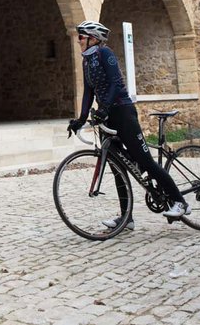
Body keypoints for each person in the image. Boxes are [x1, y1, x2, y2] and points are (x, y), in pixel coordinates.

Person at [67, 19, 190, 229]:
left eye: (81, 37)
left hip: (122, 111)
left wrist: (106, 106)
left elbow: (116, 82)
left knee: (145, 161)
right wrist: (80, 118)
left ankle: (180, 201)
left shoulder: (105, 54)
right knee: (117, 168)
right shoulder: (86, 61)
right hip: (106, 115)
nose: (78, 41)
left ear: (93, 39)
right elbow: (88, 92)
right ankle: (126, 218)